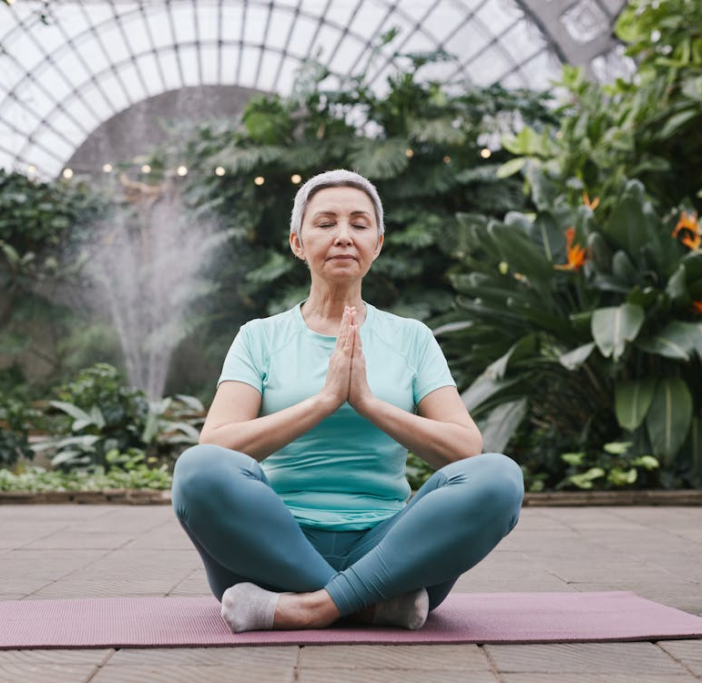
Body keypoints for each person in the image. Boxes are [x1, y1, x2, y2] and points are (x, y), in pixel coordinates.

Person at [172, 169, 523, 633]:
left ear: (377, 243)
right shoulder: (258, 338)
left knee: (499, 477)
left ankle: (309, 608)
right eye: (325, 223)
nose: (343, 236)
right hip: (272, 546)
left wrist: (368, 403)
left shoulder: (411, 338)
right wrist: (324, 401)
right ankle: (368, 606)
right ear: (298, 242)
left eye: (359, 224)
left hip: (392, 551)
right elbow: (217, 444)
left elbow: (464, 449)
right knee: (197, 470)